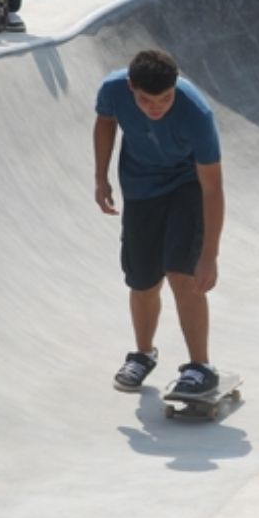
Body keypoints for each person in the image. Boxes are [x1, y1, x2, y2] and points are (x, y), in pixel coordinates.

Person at [95, 48, 226, 397]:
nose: (156, 108)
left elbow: (213, 187)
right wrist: (100, 176)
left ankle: (201, 366)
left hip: (187, 186)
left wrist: (209, 256)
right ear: (130, 87)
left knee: (183, 275)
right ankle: (142, 354)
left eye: (165, 99)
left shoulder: (196, 113)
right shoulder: (112, 90)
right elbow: (105, 123)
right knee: (142, 280)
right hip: (140, 189)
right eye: (146, 100)